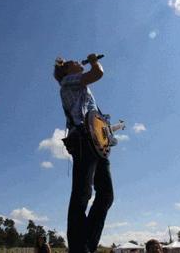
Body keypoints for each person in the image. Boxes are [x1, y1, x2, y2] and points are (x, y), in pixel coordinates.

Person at [54, 53, 114, 253]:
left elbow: (94, 117)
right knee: (83, 193)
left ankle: (86, 246)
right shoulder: (67, 81)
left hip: (96, 142)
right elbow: (97, 74)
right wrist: (94, 61)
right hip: (82, 139)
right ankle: (79, 247)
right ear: (65, 70)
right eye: (72, 62)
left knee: (106, 195)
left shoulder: (82, 89)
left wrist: (107, 130)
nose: (76, 61)